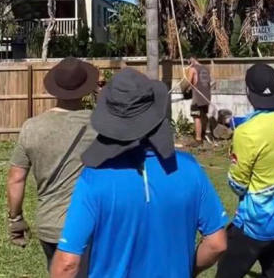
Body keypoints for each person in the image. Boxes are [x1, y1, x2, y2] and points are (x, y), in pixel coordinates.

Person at [49, 68, 228, 278]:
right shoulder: (189, 169)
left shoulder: (93, 180)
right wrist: (188, 269)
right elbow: (216, 243)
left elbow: (67, 264)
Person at [7, 57, 98, 275]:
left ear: (54, 89)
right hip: (92, 224)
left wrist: (15, 219)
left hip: (49, 226)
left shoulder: (32, 128)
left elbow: (16, 178)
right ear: (85, 89)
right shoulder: (100, 125)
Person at [216, 64, 274, 278]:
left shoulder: (246, 133)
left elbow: (238, 186)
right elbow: (264, 122)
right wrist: (234, 122)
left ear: (247, 91)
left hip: (256, 226)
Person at [186, 56, 213, 145]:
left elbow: (188, 83)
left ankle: (198, 139)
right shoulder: (206, 68)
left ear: (191, 60)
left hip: (197, 97)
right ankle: (207, 133)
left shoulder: (193, 69)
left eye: (188, 62)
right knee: (204, 115)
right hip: (206, 96)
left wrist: (185, 90)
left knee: (196, 116)